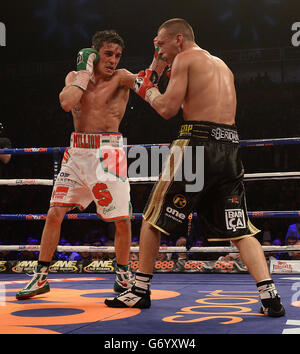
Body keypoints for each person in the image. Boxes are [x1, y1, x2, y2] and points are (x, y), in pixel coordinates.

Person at [105, 18, 285, 317]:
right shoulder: (222, 66)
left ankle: (138, 291)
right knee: (239, 229)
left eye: (161, 45)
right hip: (229, 148)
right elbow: (171, 76)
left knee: (152, 218)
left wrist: (146, 89)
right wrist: (156, 63)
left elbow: (166, 108)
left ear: (178, 39)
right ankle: (270, 295)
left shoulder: (185, 58)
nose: (160, 52)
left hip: (196, 144)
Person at [16, 30, 137, 300]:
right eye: (108, 54)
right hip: (77, 153)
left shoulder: (122, 77)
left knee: (122, 220)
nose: (113, 60)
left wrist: (158, 67)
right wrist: (84, 70)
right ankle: (41, 277)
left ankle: (123, 274)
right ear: (94, 53)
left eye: (117, 55)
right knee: (54, 213)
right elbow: (67, 102)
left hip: (109, 152)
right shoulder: (74, 77)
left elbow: (145, 84)